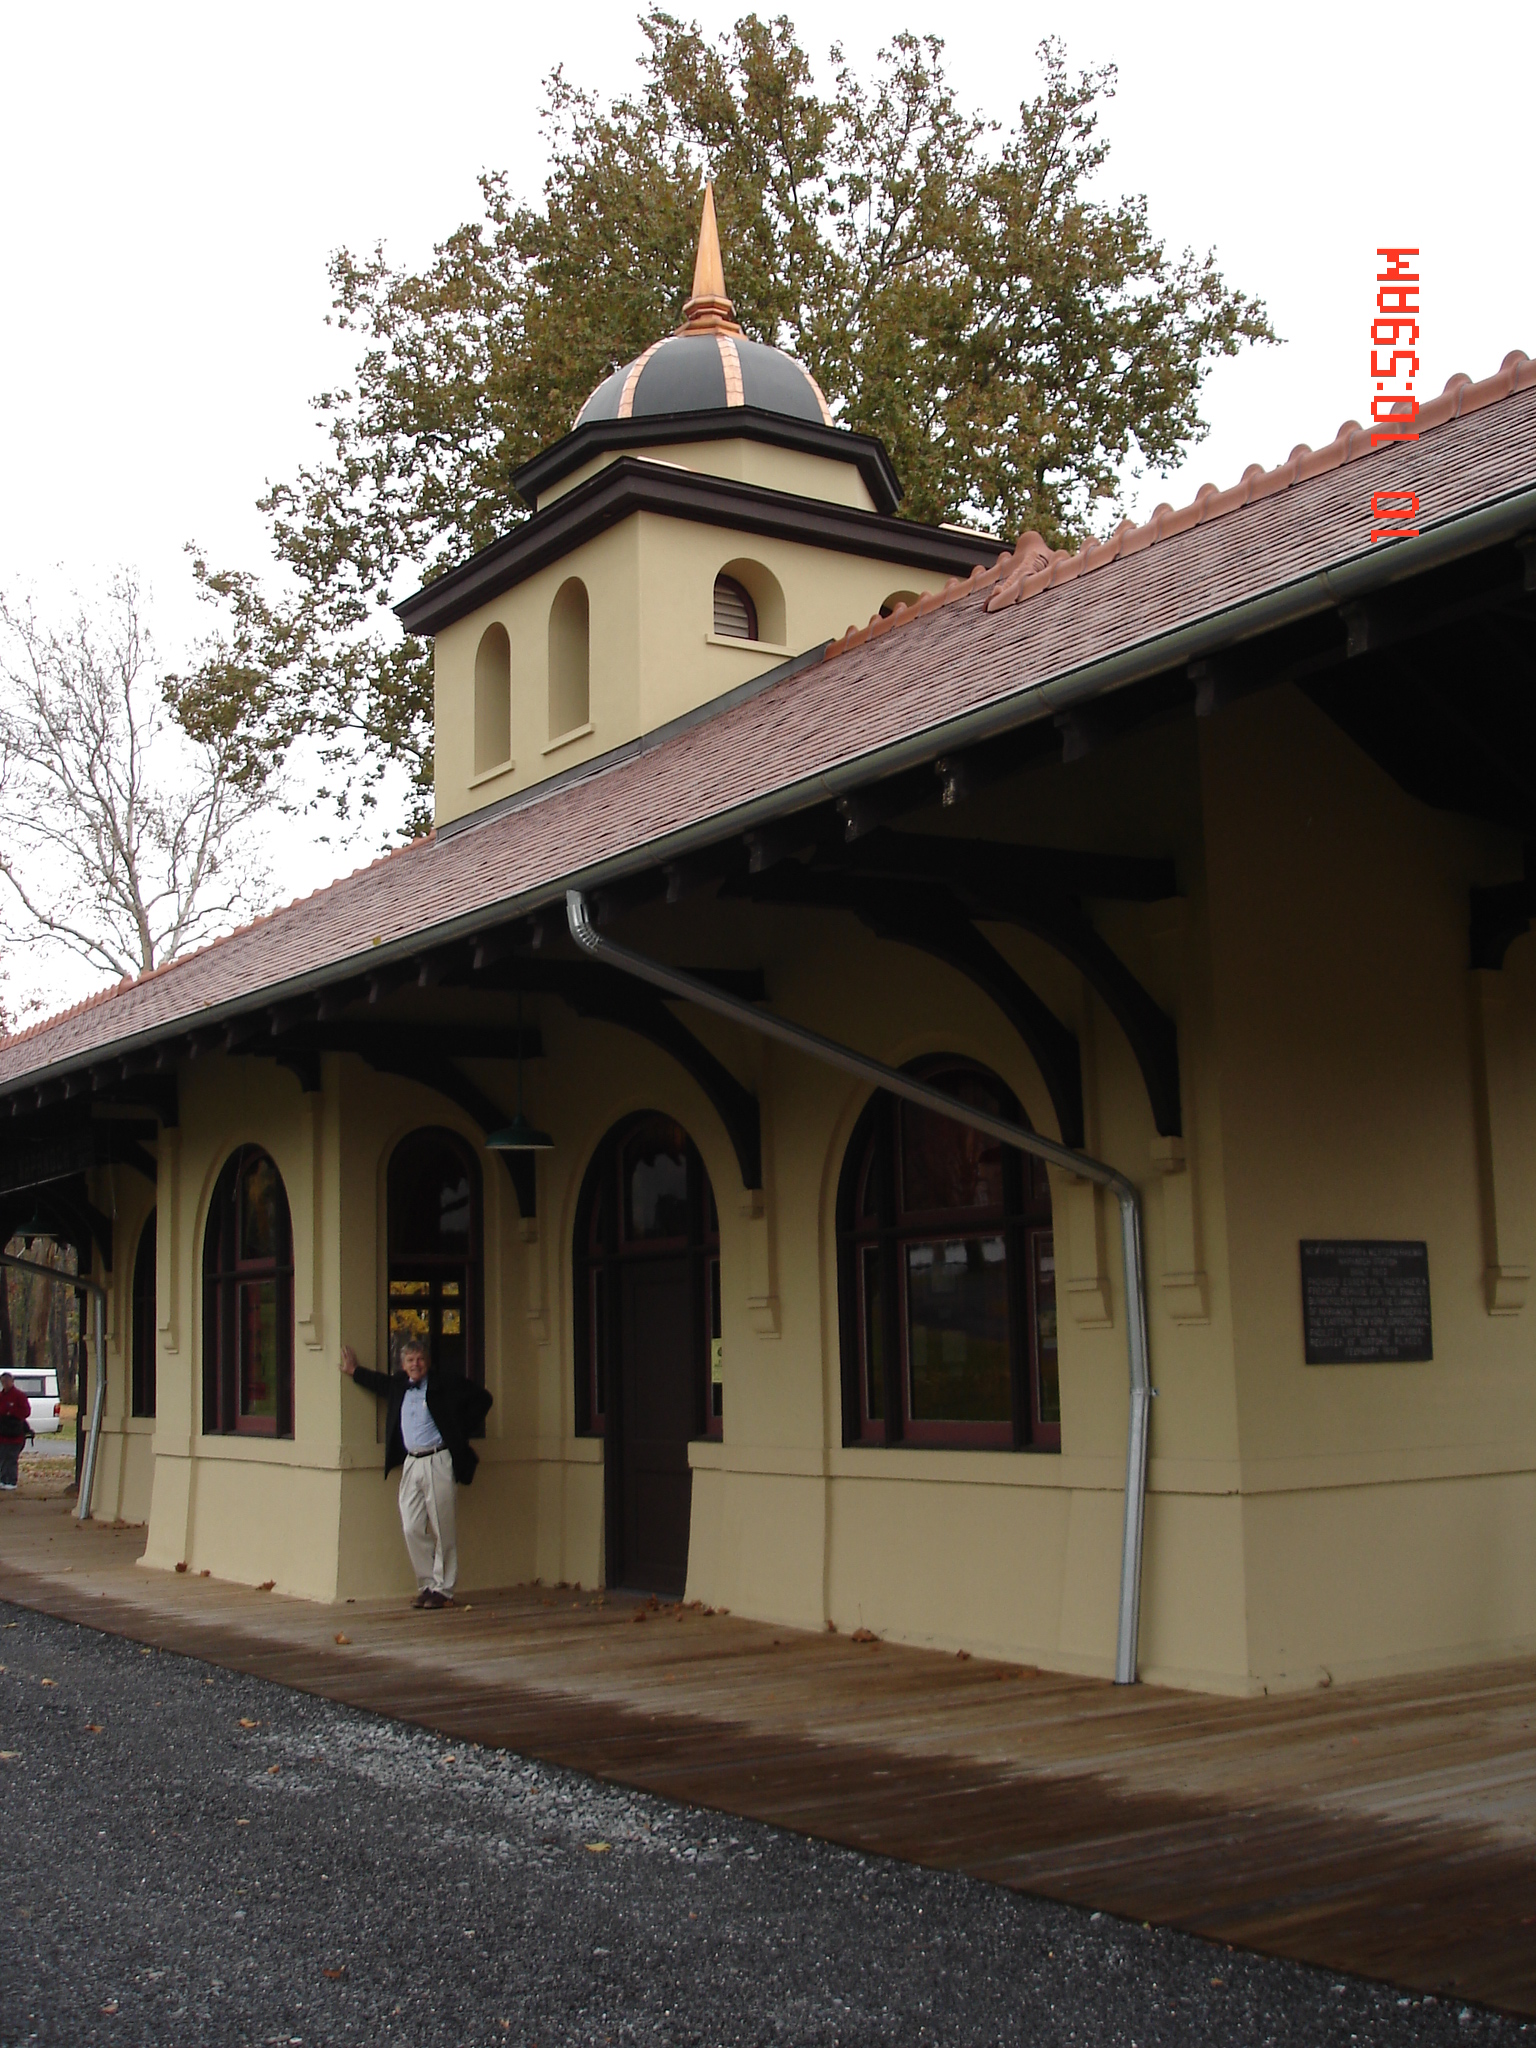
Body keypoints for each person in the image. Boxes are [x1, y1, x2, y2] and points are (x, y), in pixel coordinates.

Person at [339, 1333, 491, 1608]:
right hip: (411, 1462)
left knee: (442, 1526)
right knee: (411, 1526)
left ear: (427, 1362)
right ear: (403, 1364)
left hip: (438, 1460)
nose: (416, 1364)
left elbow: (483, 1399)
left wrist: (458, 1431)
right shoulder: (399, 1385)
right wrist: (354, 1371)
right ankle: (427, 1584)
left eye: (420, 1359)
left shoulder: (443, 1383)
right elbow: (379, 1383)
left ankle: (443, 1591)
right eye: (410, 1360)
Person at [0, 1372, 35, 1491]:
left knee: (11, 1457)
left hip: (15, 1434)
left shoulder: (19, 1396)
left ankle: (11, 1481)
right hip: (3, 1433)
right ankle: (3, 1479)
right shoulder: (1, 1396)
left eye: (7, 1381)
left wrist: (11, 1412)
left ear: (12, 1381)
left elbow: (26, 1412)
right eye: (3, 1382)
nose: (5, 1384)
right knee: (2, 1457)